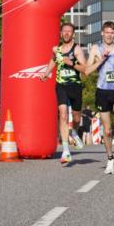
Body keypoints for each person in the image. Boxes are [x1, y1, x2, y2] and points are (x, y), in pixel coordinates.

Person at [85, 21, 114, 174]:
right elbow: (87, 71)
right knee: (107, 131)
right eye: (107, 32)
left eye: (112, 33)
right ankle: (110, 158)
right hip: (103, 91)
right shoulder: (95, 48)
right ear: (102, 33)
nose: (109, 35)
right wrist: (101, 60)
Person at [38, 22, 88, 163]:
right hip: (61, 85)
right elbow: (53, 60)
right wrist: (46, 73)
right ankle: (66, 151)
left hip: (75, 86)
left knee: (76, 118)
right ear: (61, 33)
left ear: (73, 34)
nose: (66, 33)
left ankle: (74, 132)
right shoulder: (57, 50)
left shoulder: (77, 49)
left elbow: (85, 69)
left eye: (69, 31)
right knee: (63, 115)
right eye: (64, 31)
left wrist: (71, 63)